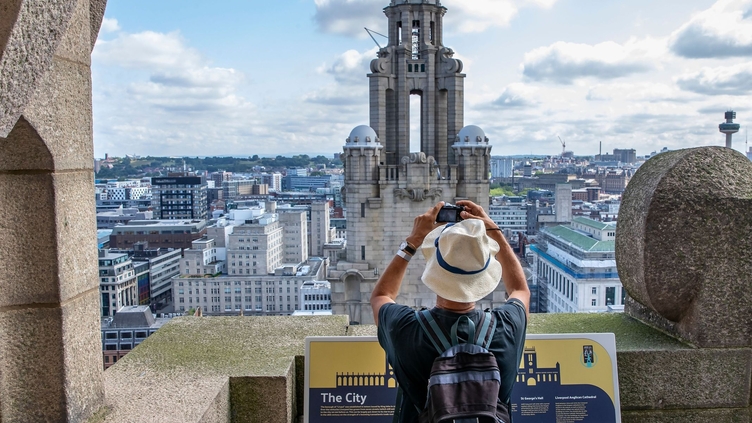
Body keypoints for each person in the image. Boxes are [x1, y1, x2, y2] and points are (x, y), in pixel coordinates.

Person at [371, 200, 530, 423]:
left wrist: (412, 242)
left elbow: (381, 296)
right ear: (483, 274)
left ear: (435, 269)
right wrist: (494, 232)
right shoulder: (507, 327)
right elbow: (520, 290)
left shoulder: (405, 328)